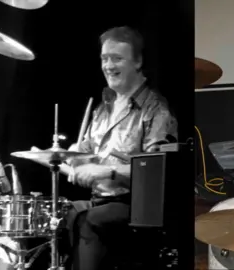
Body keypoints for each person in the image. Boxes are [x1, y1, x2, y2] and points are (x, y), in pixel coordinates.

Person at [57, 26, 177, 270]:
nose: (108, 66)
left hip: (135, 206)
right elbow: (86, 152)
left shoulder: (156, 110)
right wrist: (71, 156)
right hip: (100, 200)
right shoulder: (103, 108)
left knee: (89, 219)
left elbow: (156, 172)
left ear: (138, 61)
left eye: (117, 58)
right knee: (62, 214)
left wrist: (106, 172)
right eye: (104, 58)